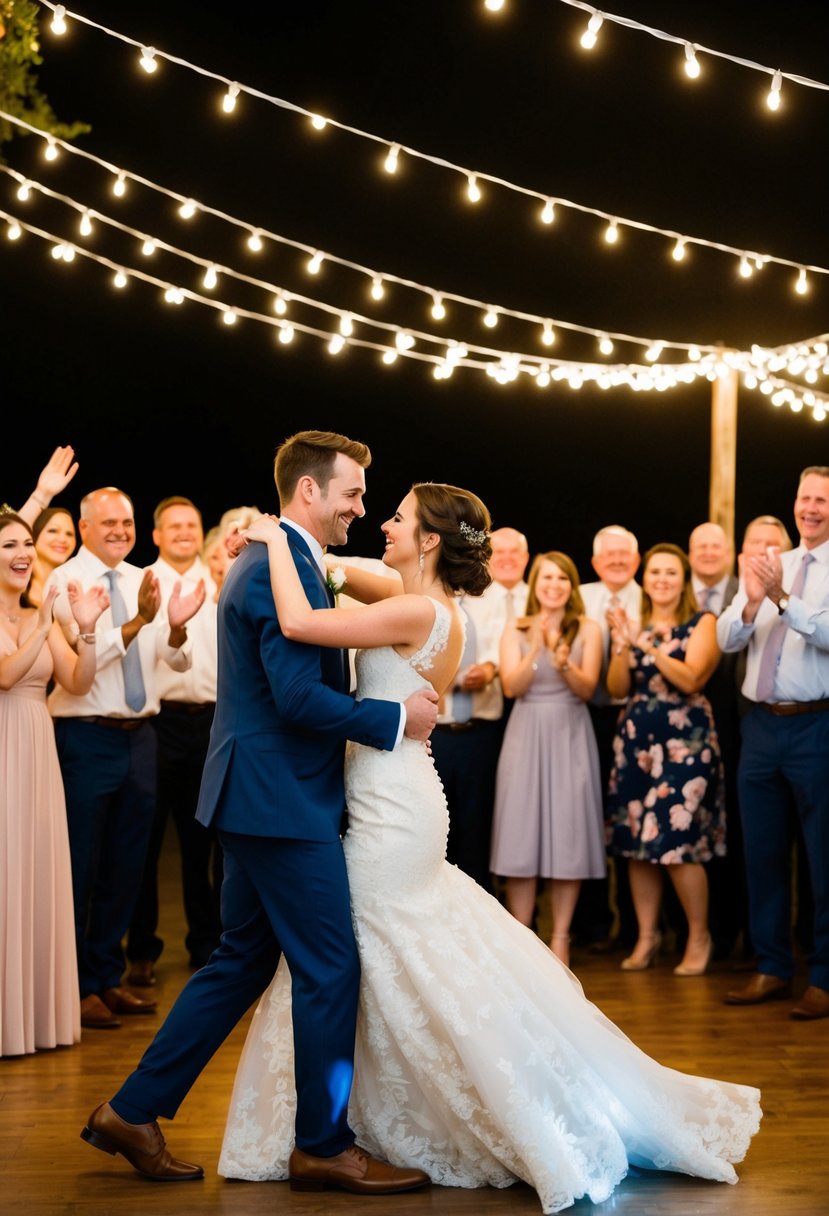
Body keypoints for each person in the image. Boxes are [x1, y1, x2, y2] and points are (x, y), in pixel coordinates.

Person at [217, 485, 761, 1214]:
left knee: (373, 949)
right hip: (393, 789)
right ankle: (343, 1124)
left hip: (390, 805)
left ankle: (361, 1124)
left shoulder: (418, 609)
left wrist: (272, 533)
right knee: (374, 953)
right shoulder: (412, 593)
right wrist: (290, 543)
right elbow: (334, 568)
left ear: (431, 540)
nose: (383, 524)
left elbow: (302, 615)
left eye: (399, 519)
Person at [81, 432, 436, 1195]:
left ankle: (131, 1112)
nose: (360, 508)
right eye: (351, 494)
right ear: (308, 492)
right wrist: (391, 718)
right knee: (329, 967)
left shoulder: (290, 561)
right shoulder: (268, 572)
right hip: (279, 802)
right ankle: (323, 1146)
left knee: (240, 959)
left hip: (260, 793)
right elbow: (298, 698)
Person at [45, 488, 206, 1030]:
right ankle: (76, 986)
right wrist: (136, 623)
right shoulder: (62, 580)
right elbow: (79, 653)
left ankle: (107, 979)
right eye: (108, 522)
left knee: (126, 867)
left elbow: (172, 660)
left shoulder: (144, 580)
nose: (120, 530)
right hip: (85, 737)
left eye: (127, 521)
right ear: (84, 528)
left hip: (142, 736)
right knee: (81, 866)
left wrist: (177, 626)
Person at [719, 467, 829, 1020]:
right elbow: (726, 636)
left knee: (822, 856)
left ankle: (824, 976)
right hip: (760, 727)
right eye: (805, 496)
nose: (811, 508)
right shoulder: (770, 563)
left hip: (818, 726)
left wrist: (783, 598)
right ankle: (772, 967)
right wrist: (750, 601)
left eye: (822, 500)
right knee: (761, 852)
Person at [0, 509, 108, 1056]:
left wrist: (85, 630)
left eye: (26, 544)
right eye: (9, 544)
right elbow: (5, 673)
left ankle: (34, 1019)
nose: (22, 553)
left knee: (36, 873)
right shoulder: (30, 616)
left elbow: (78, 680)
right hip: (3, 753)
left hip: (37, 753)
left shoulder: (40, 614)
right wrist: (45, 621)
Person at [606, 543, 723, 977]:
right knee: (637, 843)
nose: (662, 579)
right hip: (636, 742)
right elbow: (618, 687)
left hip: (685, 742)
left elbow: (692, 678)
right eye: (655, 571)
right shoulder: (634, 625)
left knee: (676, 840)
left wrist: (646, 646)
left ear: (684, 579)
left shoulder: (702, 623)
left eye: (671, 572)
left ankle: (698, 936)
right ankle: (647, 936)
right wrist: (622, 646)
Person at [490, 551, 606, 966]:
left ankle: (561, 937)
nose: (553, 586)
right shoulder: (515, 628)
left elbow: (588, 689)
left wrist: (564, 662)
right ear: (534, 585)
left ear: (571, 586)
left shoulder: (588, 629)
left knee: (567, 833)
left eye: (562, 579)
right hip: (526, 732)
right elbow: (512, 687)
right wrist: (537, 646)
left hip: (570, 732)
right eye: (546, 579)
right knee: (522, 831)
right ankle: (523, 934)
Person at [125, 497, 222, 986]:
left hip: (211, 724)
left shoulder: (221, 581)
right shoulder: (142, 584)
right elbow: (166, 656)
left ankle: (205, 944)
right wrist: (176, 627)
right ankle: (141, 948)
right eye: (174, 526)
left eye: (192, 524)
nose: (184, 532)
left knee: (201, 840)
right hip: (157, 724)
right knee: (144, 840)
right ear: (157, 535)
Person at [430, 524, 528, 893]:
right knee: (439, 827)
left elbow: (499, 643)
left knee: (477, 828)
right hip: (435, 732)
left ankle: (479, 905)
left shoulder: (491, 600)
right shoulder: (429, 598)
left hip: (480, 732)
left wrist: (489, 667)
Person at [573, 525, 641, 954]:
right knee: (588, 816)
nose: (616, 560)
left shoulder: (650, 597)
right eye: (608, 555)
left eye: (624, 554)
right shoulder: (581, 597)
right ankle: (594, 923)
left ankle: (638, 928)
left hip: (637, 720)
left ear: (637, 560)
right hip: (586, 717)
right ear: (596, 562)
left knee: (633, 819)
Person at [686, 522, 742, 962]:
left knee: (733, 832)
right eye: (699, 546)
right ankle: (682, 929)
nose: (707, 552)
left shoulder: (744, 592)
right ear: (690, 553)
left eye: (715, 546)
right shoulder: (671, 594)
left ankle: (732, 930)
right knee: (686, 831)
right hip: (679, 736)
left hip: (737, 727)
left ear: (729, 552)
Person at [28, 508, 77, 606]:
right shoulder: (13, 584)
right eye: (53, 530)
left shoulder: (74, 589)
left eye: (69, 534)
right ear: (33, 534)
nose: (63, 539)